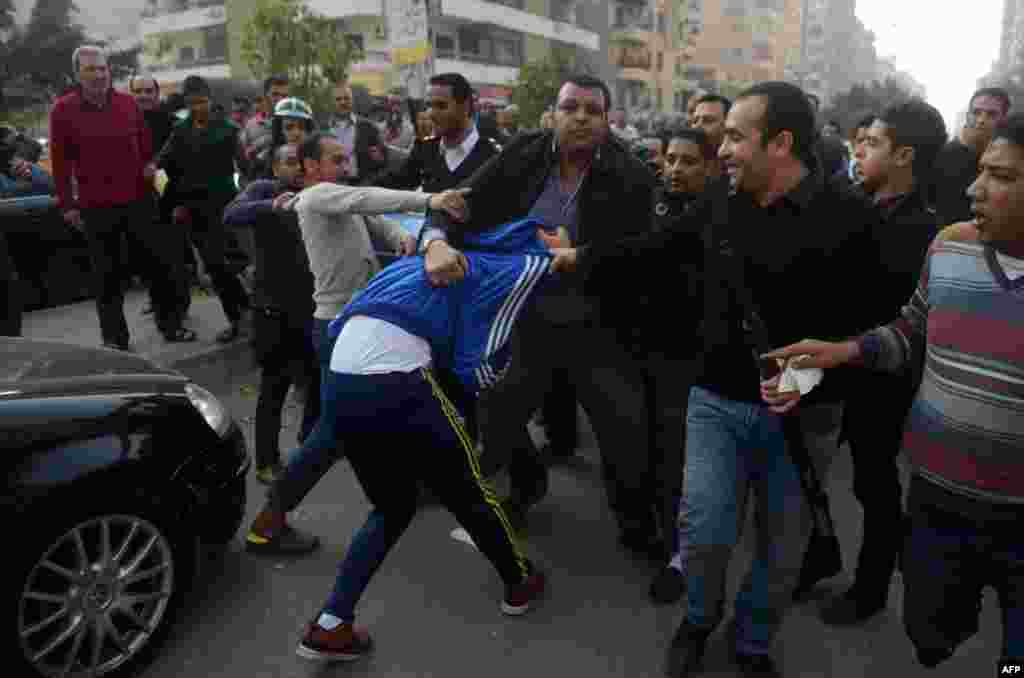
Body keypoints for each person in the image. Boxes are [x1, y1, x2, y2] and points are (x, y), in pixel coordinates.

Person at [763, 111, 1024, 676]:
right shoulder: (948, 246)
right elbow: (907, 328)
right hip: (937, 494)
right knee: (931, 630)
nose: (976, 189)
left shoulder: (914, 226)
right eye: (980, 172)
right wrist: (837, 354)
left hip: (1005, 503)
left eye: (1000, 176)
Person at [660, 82, 882, 678]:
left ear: (781, 143)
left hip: (806, 418)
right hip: (715, 402)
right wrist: (576, 254)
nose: (721, 148)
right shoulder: (719, 202)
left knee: (782, 553)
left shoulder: (850, 218)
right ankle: (699, 620)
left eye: (734, 136)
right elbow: (652, 250)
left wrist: (805, 380)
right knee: (703, 532)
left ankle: (752, 642)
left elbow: (868, 326)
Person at [282, 217, 556, 662]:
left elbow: (345, 327)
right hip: (399, 383)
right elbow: (476, 369)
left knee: (391, 507)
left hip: (341, 378)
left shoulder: (406, 266)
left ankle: (331, 623)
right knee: (468, 490)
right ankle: (520, 582)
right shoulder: (490, 272)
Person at [419, 74, 661, 554]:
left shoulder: (630, 174)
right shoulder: (525, 153)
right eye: (571, 107)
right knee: (499, 411)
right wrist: (435, 240)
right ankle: (525, 488)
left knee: (623, 433)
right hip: (524, 316)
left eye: (593, 110)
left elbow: (643, 253)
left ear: (607, 121)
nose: (581, 118)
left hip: (598, 324)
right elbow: (462, 202)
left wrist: (581, 253)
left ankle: (637, 525)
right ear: (554, 113)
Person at [244, 133, 471, 554]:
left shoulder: (337, 197)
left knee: (365, 419)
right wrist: (431, 200)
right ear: (310, 166)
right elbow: (364, 199)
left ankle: (400, 492)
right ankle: (270, 520)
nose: (345, 166)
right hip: (336, 328)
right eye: (335, 159)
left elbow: (371, 217)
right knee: (335, 432)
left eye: (345, 158)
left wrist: (400, 237)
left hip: (358, 324)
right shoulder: (317, 197)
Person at [547, 126, 713, 604]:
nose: (676, 169)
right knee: (629, 448)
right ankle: (639, 529)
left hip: (685, 359)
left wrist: (582, 254)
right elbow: (623, 253)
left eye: (688, 161)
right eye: (670, 160)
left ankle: (681, 557)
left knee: (675, 461)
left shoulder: (713, 214)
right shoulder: (650, 201)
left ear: (709, 167)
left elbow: (642, 253)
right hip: (631, 348)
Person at [816, 99, 948, 626]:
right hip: (834, 362)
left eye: (871, 144)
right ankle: (816, 558)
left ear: (904, 156)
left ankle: (870, 589)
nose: (858, 150)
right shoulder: (859, 203)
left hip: (879, 376)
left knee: (874, 484)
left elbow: (882, 305)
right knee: (808, 469)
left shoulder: (924, 229)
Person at [49, 45, 192, 349]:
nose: (99, 74)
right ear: (78, 74)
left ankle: (171, 326)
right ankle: (115, 341)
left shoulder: (128, 105)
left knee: (159, 267)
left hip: (139, 201)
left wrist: (159, 179)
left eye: (103, 68)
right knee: (107, 277)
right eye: (91, 69)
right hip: (95, 206)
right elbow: (60, 164)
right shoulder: (63, 110)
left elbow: (146, 155)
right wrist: (67, 206)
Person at [224, 143, 319, 485]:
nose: (298, 168)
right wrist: (270, 205)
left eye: (302, 162)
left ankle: (309, 450)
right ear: (276, 168)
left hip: (311, 309)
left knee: (317, 384)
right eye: (290, 162)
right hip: (272, 310)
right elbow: (231, 214)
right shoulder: (264, 190)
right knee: (274, 388)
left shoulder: (314, 193)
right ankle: (267, 461)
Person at [158, 74, 251, 343]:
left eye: (202, 101)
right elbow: (164, 166)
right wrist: (172, 199)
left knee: (235, 264)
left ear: (210, 100)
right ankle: (237, 319)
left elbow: (244, 169)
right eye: (192, 102)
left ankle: (252, 315)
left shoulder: (228, 130)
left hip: (226, 207)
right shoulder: (180, 132)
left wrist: (246, 197)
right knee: (214, 267)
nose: (198, 107)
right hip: (195, 211)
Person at [930, 87, 1011, 226]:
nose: (981, 120)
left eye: (991, 114)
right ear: (967, 116)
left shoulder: (1010, 163)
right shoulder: (940, 156)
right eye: (976, 112)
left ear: (1004, 119)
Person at [327, 81, 388, 185]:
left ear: (352, 100)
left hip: (361, 186)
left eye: (346, 98)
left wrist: (369, 182)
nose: (343, 102)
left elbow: (383, 161)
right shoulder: (324, 129)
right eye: (338, 99)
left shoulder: (369, 127)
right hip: (332, 186)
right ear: (332, 102)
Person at [238, 75, 290, 186]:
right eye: (275, 94)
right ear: (265, 96)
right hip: (261, 188)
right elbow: (242, 163)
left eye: (285, 95)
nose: (280, 99)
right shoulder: (251, 126)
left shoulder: (297, 124)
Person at [252, 97, 316, 180]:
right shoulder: (263, 161)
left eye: (301, 127)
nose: (296, 133)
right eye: (289, 127)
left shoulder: (316, 159)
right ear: (279, 131)